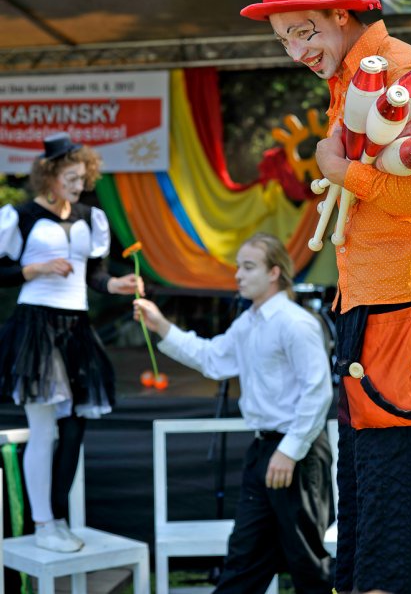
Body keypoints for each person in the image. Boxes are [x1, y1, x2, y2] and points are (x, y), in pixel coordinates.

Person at [240, 0, 411, 594]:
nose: (295, 51)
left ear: (341, 13)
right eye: (283, 38)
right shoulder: (347, 81)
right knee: (370, 498)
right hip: (369, 306)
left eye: (303, 31)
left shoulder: (402, 73)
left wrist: (346, 172)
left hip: (410, 303)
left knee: (409, 494)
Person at [134, 232, 333, 593]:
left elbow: (318, 392)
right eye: (238, 267)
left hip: (297, 454)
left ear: (274, 272)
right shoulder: (248, 323)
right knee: (244, 560)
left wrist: (289, 451)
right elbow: (212, 359)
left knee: (308, 564)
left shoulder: (296, 323)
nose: (238, 275)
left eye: (248, 267)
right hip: (263, 451)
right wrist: (161, 325)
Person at [0, 132, 143, 553]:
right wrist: (35, 270)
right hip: (36, 325)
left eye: (83, 178)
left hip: (76, 327)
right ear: (50, 177)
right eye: (71, 178)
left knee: (76, 425)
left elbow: (93, 275)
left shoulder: (89, 217)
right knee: (43, 429)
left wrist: (115, 284)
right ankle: (43, 523)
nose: (79, 186)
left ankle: (57, 516)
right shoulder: (20, 216)